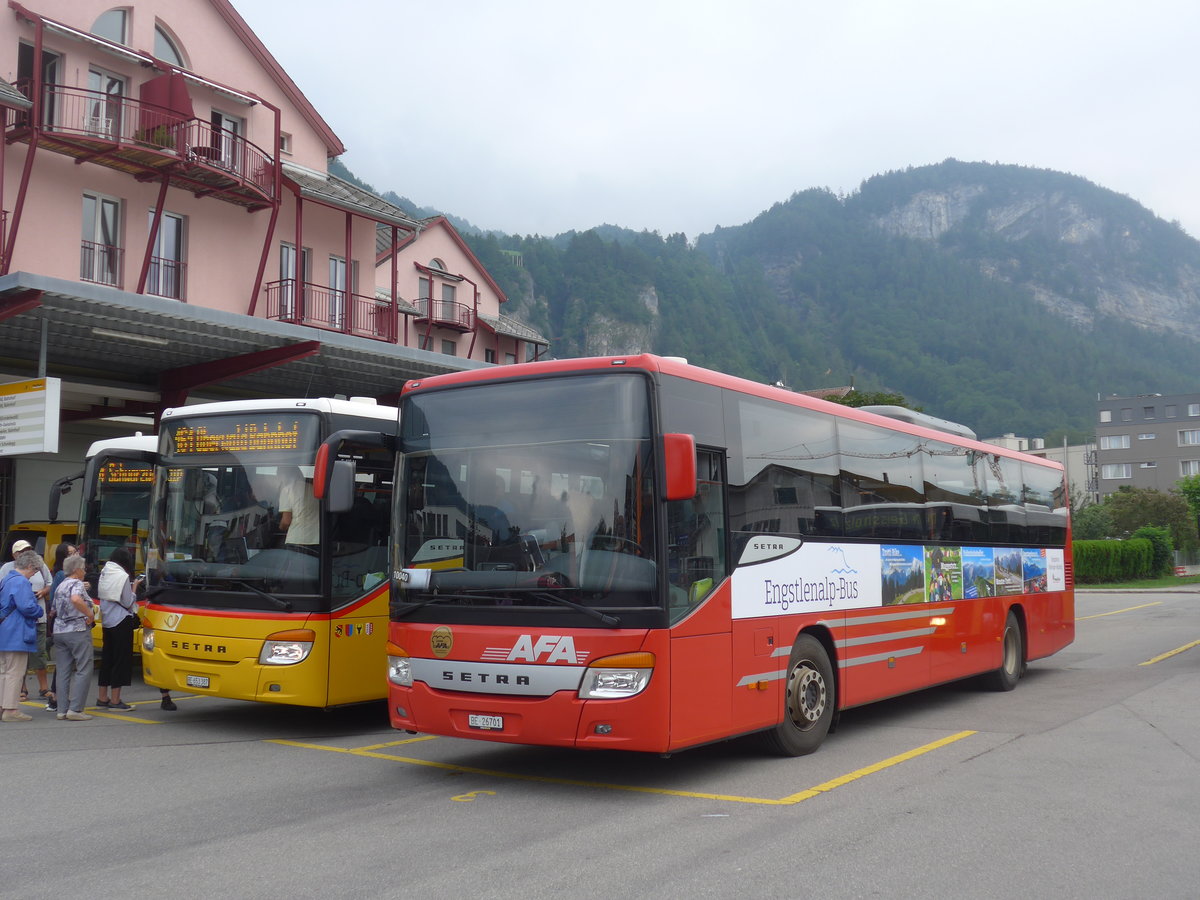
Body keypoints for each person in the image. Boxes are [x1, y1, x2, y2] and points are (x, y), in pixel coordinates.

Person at [0, 539, 53, 704]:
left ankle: (4, 706)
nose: (34, 573)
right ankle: (11, 709)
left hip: (7, 629)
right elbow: (27, 607)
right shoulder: (20, 581)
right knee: (15, 671)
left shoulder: (10, 579)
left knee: (6, 671)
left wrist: (43, 592)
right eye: (34, 570)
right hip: (18, 630)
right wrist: (38, 610)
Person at [51, 554, 95, 720]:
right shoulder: (76, 584)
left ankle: (62, 709)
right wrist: (89, 613)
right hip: (77, 629)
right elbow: (76, 599)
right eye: (83, 568)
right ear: (76, 570)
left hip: (59, 631)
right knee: (84, 667)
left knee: (63, 670)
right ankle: (75, 709)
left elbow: (53, 609)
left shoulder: (61, 585)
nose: (84, 571)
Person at [96, 547, 139, 710]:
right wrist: (134, 587)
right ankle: (115, 699)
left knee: (107, 659)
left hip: (107, 621)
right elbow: (128, 602)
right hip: (121, 622)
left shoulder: (105, 573)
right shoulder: (123, 576)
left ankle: (102, 697)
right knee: (120, 660)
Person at [279, 467, 319, 546]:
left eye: (279, 476)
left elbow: (286, 521)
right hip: (317, 539)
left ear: (286, 476)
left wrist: (280, 527)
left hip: (297, 540)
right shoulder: (313, 489)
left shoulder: (287, 490)